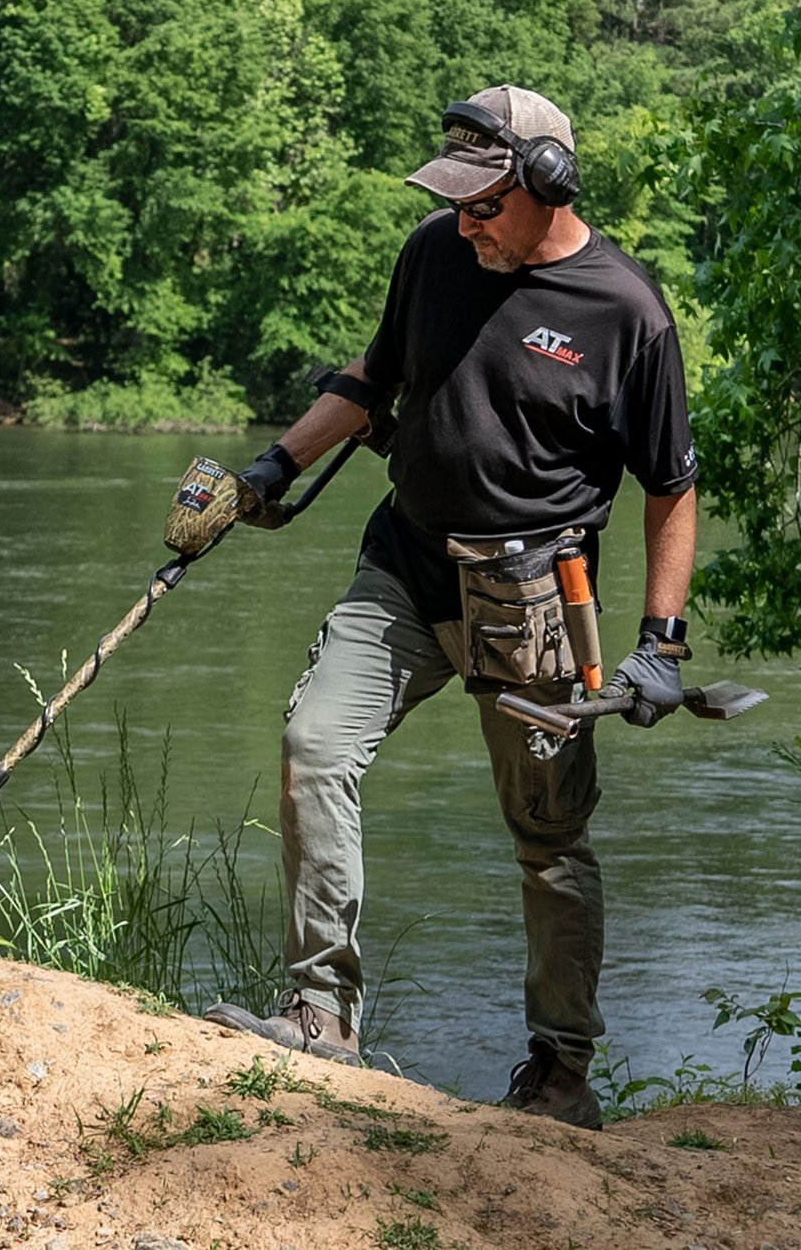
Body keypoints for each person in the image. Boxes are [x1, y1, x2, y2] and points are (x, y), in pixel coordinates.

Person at [203, 84, 698, 1130]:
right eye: (456, 202)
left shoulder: (629, 313)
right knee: (313, 744)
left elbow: (671, 490)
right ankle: (320, 1016)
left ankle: (560, 1073)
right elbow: (373, 379)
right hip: (406, 567)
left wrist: (662, 641)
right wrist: (270, 468)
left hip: (534, 605)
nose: (465, 222)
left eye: (485, 205)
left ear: (548, 184)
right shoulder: (435, 251)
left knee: (548, 838)